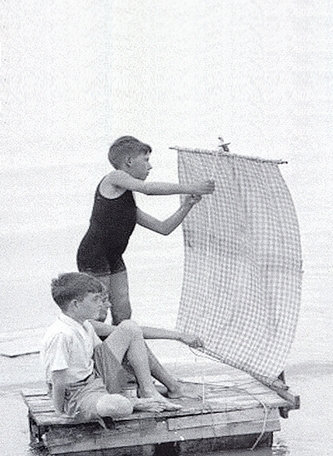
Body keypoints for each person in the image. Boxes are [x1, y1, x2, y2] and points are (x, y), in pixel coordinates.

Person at [76, 136, 215, 325]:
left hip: (114, 256)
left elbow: (164, 228)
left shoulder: (126, 203)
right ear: (129, 161)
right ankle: (98, 352)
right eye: (146, 160)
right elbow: (147, 189)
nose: (150, 167)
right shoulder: (114, 178)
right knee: (98, 313)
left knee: (124, 312)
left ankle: (121, 349)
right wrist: (191, 187)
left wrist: (187, 204)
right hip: (93, 255)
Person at [40, 272, 182, 422]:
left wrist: (130, 372)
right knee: (121, 407)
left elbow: (104, 354)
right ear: (75, 304)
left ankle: (149, 392)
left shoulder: (85, 324)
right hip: (76, 392)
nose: (101, 304)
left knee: (130, 327)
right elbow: (58, 379)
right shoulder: (61, 335)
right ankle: (134, 403)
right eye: (95, 300)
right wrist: (59, 411)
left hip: (94, 377)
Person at [89, 286, 203, 400]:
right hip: (95, 385)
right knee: (130, 330)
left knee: (135, 338)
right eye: (103, 301)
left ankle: (172, 387)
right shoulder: (88, 324)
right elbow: (132, 330)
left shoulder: (86, 325)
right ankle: (169, 388)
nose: (109, 305)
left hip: (100, 378)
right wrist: (179, 336)